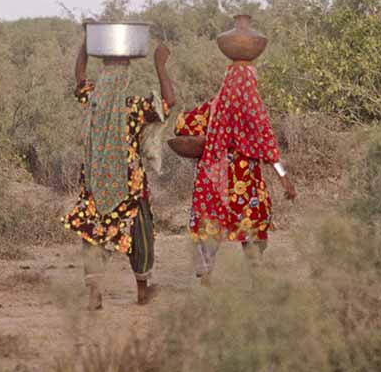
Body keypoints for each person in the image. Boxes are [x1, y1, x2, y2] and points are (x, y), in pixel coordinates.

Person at [62, 27, 176, 309]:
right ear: (125, 80)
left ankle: (94, 295)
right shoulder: (133, 108)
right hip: (130, 185)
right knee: (140, 232)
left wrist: (86, 43)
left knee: (94, 232)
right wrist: (160, 65)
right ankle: (142, 291)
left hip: (95, 182)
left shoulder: (95, 101)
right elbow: (168, 102)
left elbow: (79, 76)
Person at [174, 59, 295, 284]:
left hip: (212, 179)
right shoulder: (254, 111)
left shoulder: (212, 107)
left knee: (210, 227)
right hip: (245, 184)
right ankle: (256, 276)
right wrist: (283, 177)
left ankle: (206, 279)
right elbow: (269, 148)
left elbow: (182, 127)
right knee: (252, 229)